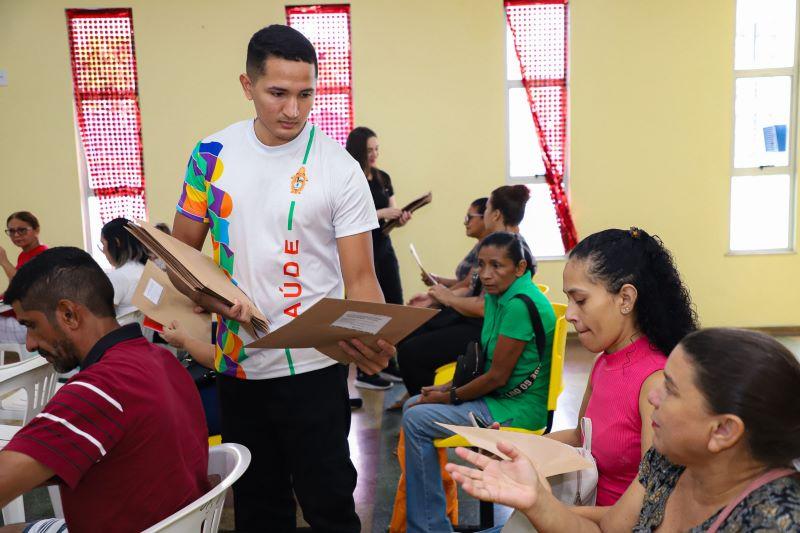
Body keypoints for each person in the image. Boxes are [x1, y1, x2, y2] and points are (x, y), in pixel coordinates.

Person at [170, 25, 395, 533]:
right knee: (259, 509)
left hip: (316, 366)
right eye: (278, 93)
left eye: (305, 93)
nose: (293, 109)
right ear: (247, 86)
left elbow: (361, 279)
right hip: (239, 365)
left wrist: (372, 335)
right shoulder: (211, 157)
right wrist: (210, 296)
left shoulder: (339, 168)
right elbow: (182, 257)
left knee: (331, 503)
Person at [447, 328, 800, 532]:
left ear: (723, 430)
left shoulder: (776, 520)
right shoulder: (669, 459)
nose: (654, 396)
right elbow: (606, 530)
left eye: (672, 389)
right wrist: (537, 501)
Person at [0, 247, 209, 532]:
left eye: (32, 325)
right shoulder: (161, 360)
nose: (30, 343)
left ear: (69, 314)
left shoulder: (98, 390)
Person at [401, 232, 555, 533]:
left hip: (516, 408)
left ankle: (429, 528)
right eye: (482, 265)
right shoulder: (501, 297)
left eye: (496, 266)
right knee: (412, 405)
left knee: (416, 419)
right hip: (500, 396)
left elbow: (497, 376)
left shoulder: (519, 305)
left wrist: (448, 397)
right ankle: (430, 523)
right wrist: (444, 389)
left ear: (520, 267)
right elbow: (484, 364)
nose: (485, 274)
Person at [545, 227, 698, 511]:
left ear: (625, 299)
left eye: (580, 300)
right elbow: (581, 437)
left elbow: (651, 504)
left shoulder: (654, 383)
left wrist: (554, 514)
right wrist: (512, 447)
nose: (569, 314)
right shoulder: (602, 361)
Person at [396, 198, 491, 401]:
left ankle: (424, 401)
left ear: (492, 216)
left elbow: (478, 300)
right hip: (466, 314)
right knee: (407, 333)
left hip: (476, 323)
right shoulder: (486, 248)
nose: (465, 222)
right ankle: (420, 394)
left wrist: (437, 299)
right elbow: (467, 283)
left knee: (411, 350)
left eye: (469, 217)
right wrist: (436, 291)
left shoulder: (499, 248)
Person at [346, 126, 409, 390]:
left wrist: (399, 217)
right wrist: (382, 213)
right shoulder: (350, 178)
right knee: (369, 311)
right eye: (369, 150)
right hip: (361, 250)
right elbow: (351, 216)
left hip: (383, 246)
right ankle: (365, 372)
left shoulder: (383, 177)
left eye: (376, 149)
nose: (374, 155)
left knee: (394, 303)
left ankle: (390, 363)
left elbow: (390, 212)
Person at [0, 211, 47, 345]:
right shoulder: (24, 255)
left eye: (22, 230)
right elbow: (11, 290)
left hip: (29, 324)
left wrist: (4, 261)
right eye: (11, 231)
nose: (16, 235)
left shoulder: (43, 255)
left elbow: (21, 288)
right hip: (15, 315)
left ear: (36, 229)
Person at [421, 197, 489, 288]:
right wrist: (438, 280)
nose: (465, 223)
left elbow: (469, 284)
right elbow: (464, 282)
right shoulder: (479, 246)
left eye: (470, 217)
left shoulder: (487, 248)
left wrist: (438, 297)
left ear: (485, 218)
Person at [99, 217, 148, 325]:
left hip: (121, 339)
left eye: (103, 244)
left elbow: (100, 319)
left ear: (116, 242)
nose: (103, 250)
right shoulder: (144, 270)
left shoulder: (118, 277)